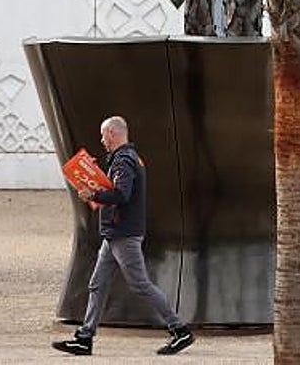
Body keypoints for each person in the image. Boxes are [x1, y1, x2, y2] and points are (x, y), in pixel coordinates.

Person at [52, 116, 195, 357]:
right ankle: (85, 338)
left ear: (111, 133)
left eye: (103, 135)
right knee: (98, 284)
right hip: (116, 234)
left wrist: (93, 194)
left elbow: (121, 195)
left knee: (140, 284)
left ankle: (179, 329)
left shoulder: (124, 162)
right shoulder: (129, 159)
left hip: (123, 234)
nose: (101, 140)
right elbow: (117, 191)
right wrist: (96, 179)